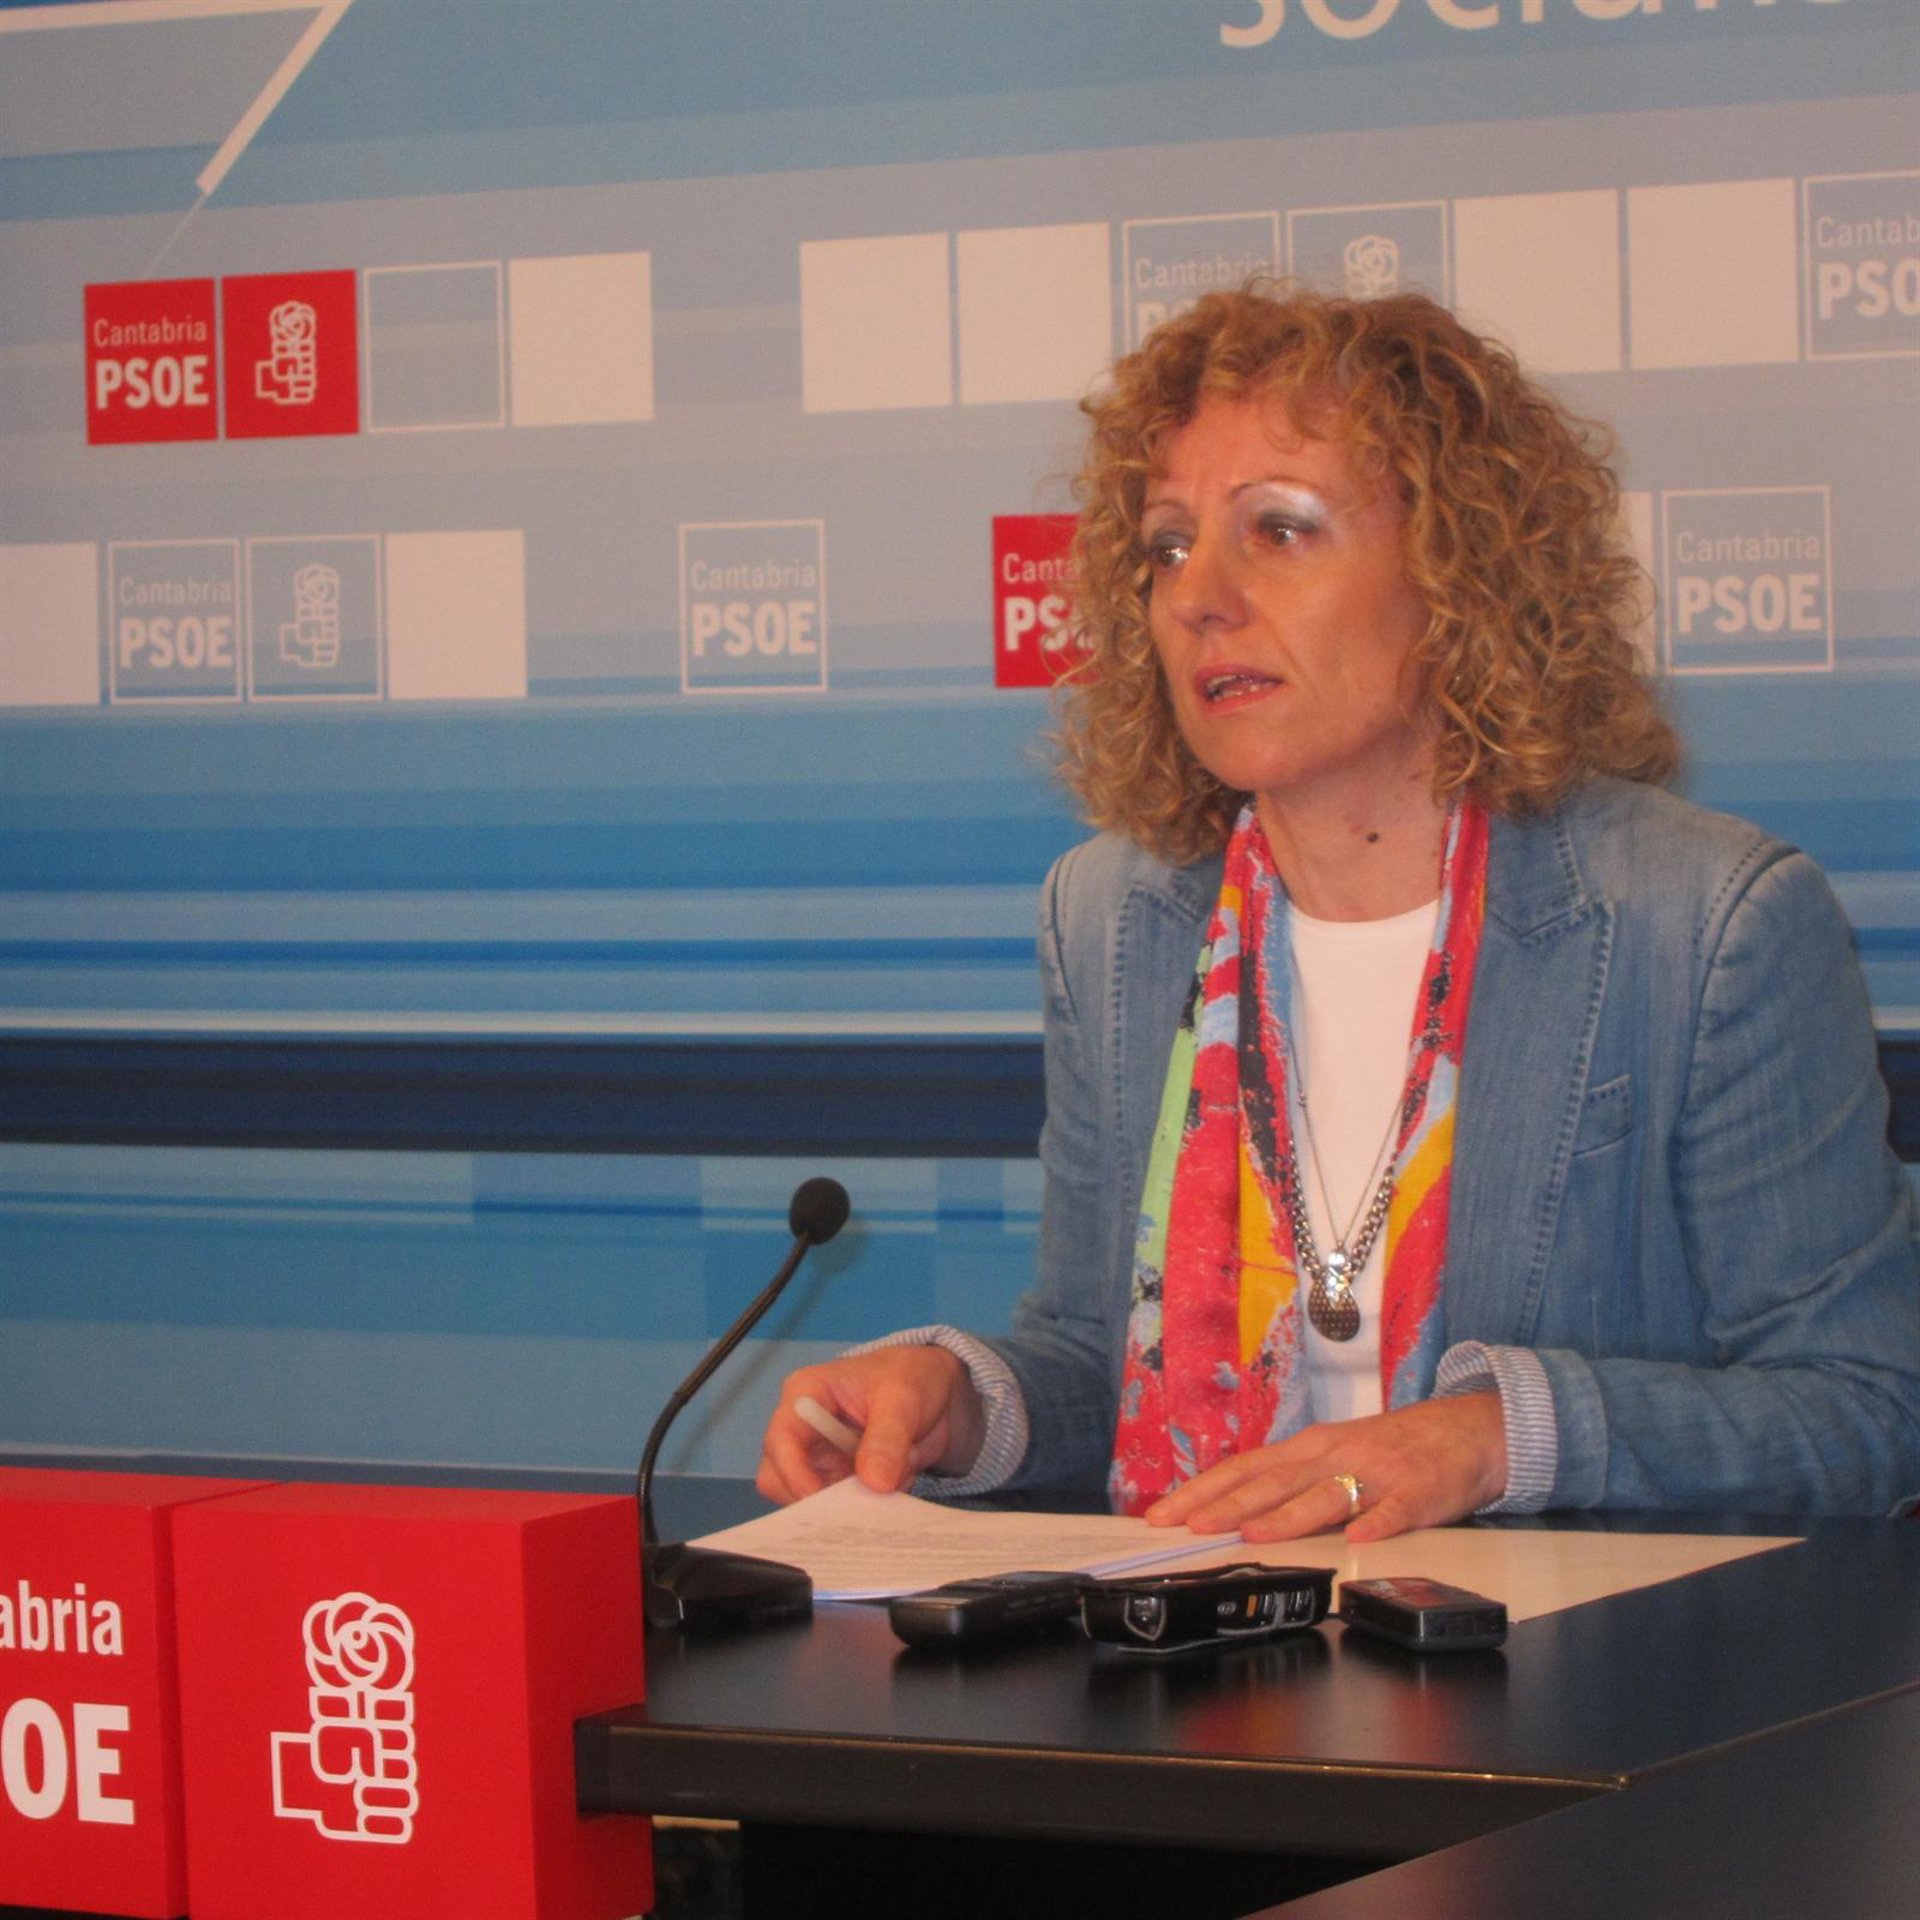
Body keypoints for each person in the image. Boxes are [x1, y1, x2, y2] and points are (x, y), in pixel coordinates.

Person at [757, 285, 1920, 1543]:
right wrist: (960, 1402)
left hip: (1570, 1660)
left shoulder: (1702, 925)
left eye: (1280, 530)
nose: (1200, 595)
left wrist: (1495, 1439)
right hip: (1210, 1647)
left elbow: (1866, 1408)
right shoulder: (1114, 921)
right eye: (1168, 546)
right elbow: (1104, 1355)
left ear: (1456, 575)